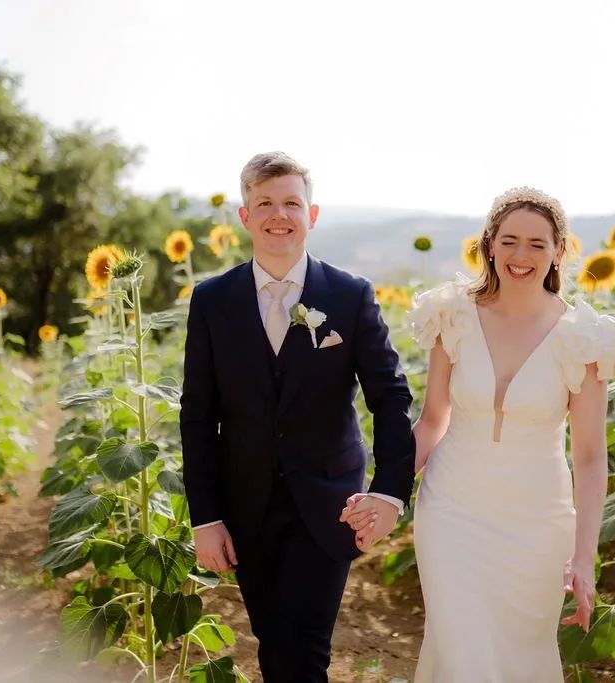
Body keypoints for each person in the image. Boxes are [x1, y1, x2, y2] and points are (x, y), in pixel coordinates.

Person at [344, 186, 615, 681]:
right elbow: (434, 420)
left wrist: (583, 558)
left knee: (520, 658)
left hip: (538, 522)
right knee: (462, 648)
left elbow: (588, 458)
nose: (521, 256)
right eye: (509, 240)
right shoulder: (452, 317)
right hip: (452, 509)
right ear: (489, 244)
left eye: (537, 244)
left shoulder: (584, 340)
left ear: (559, 252)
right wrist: (387, 493)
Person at [180, 151, 416, 682]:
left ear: (312, 215)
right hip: (246, 506)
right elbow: (198, 416)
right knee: (273, 643)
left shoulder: (350, 296)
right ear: (245, 216)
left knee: (306, 646)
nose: (278, 214)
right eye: (264, 202)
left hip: (331, 502)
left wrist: (389, 491)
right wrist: (206, 516)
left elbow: (391, 396)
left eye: (291, 202)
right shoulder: (212, 301)